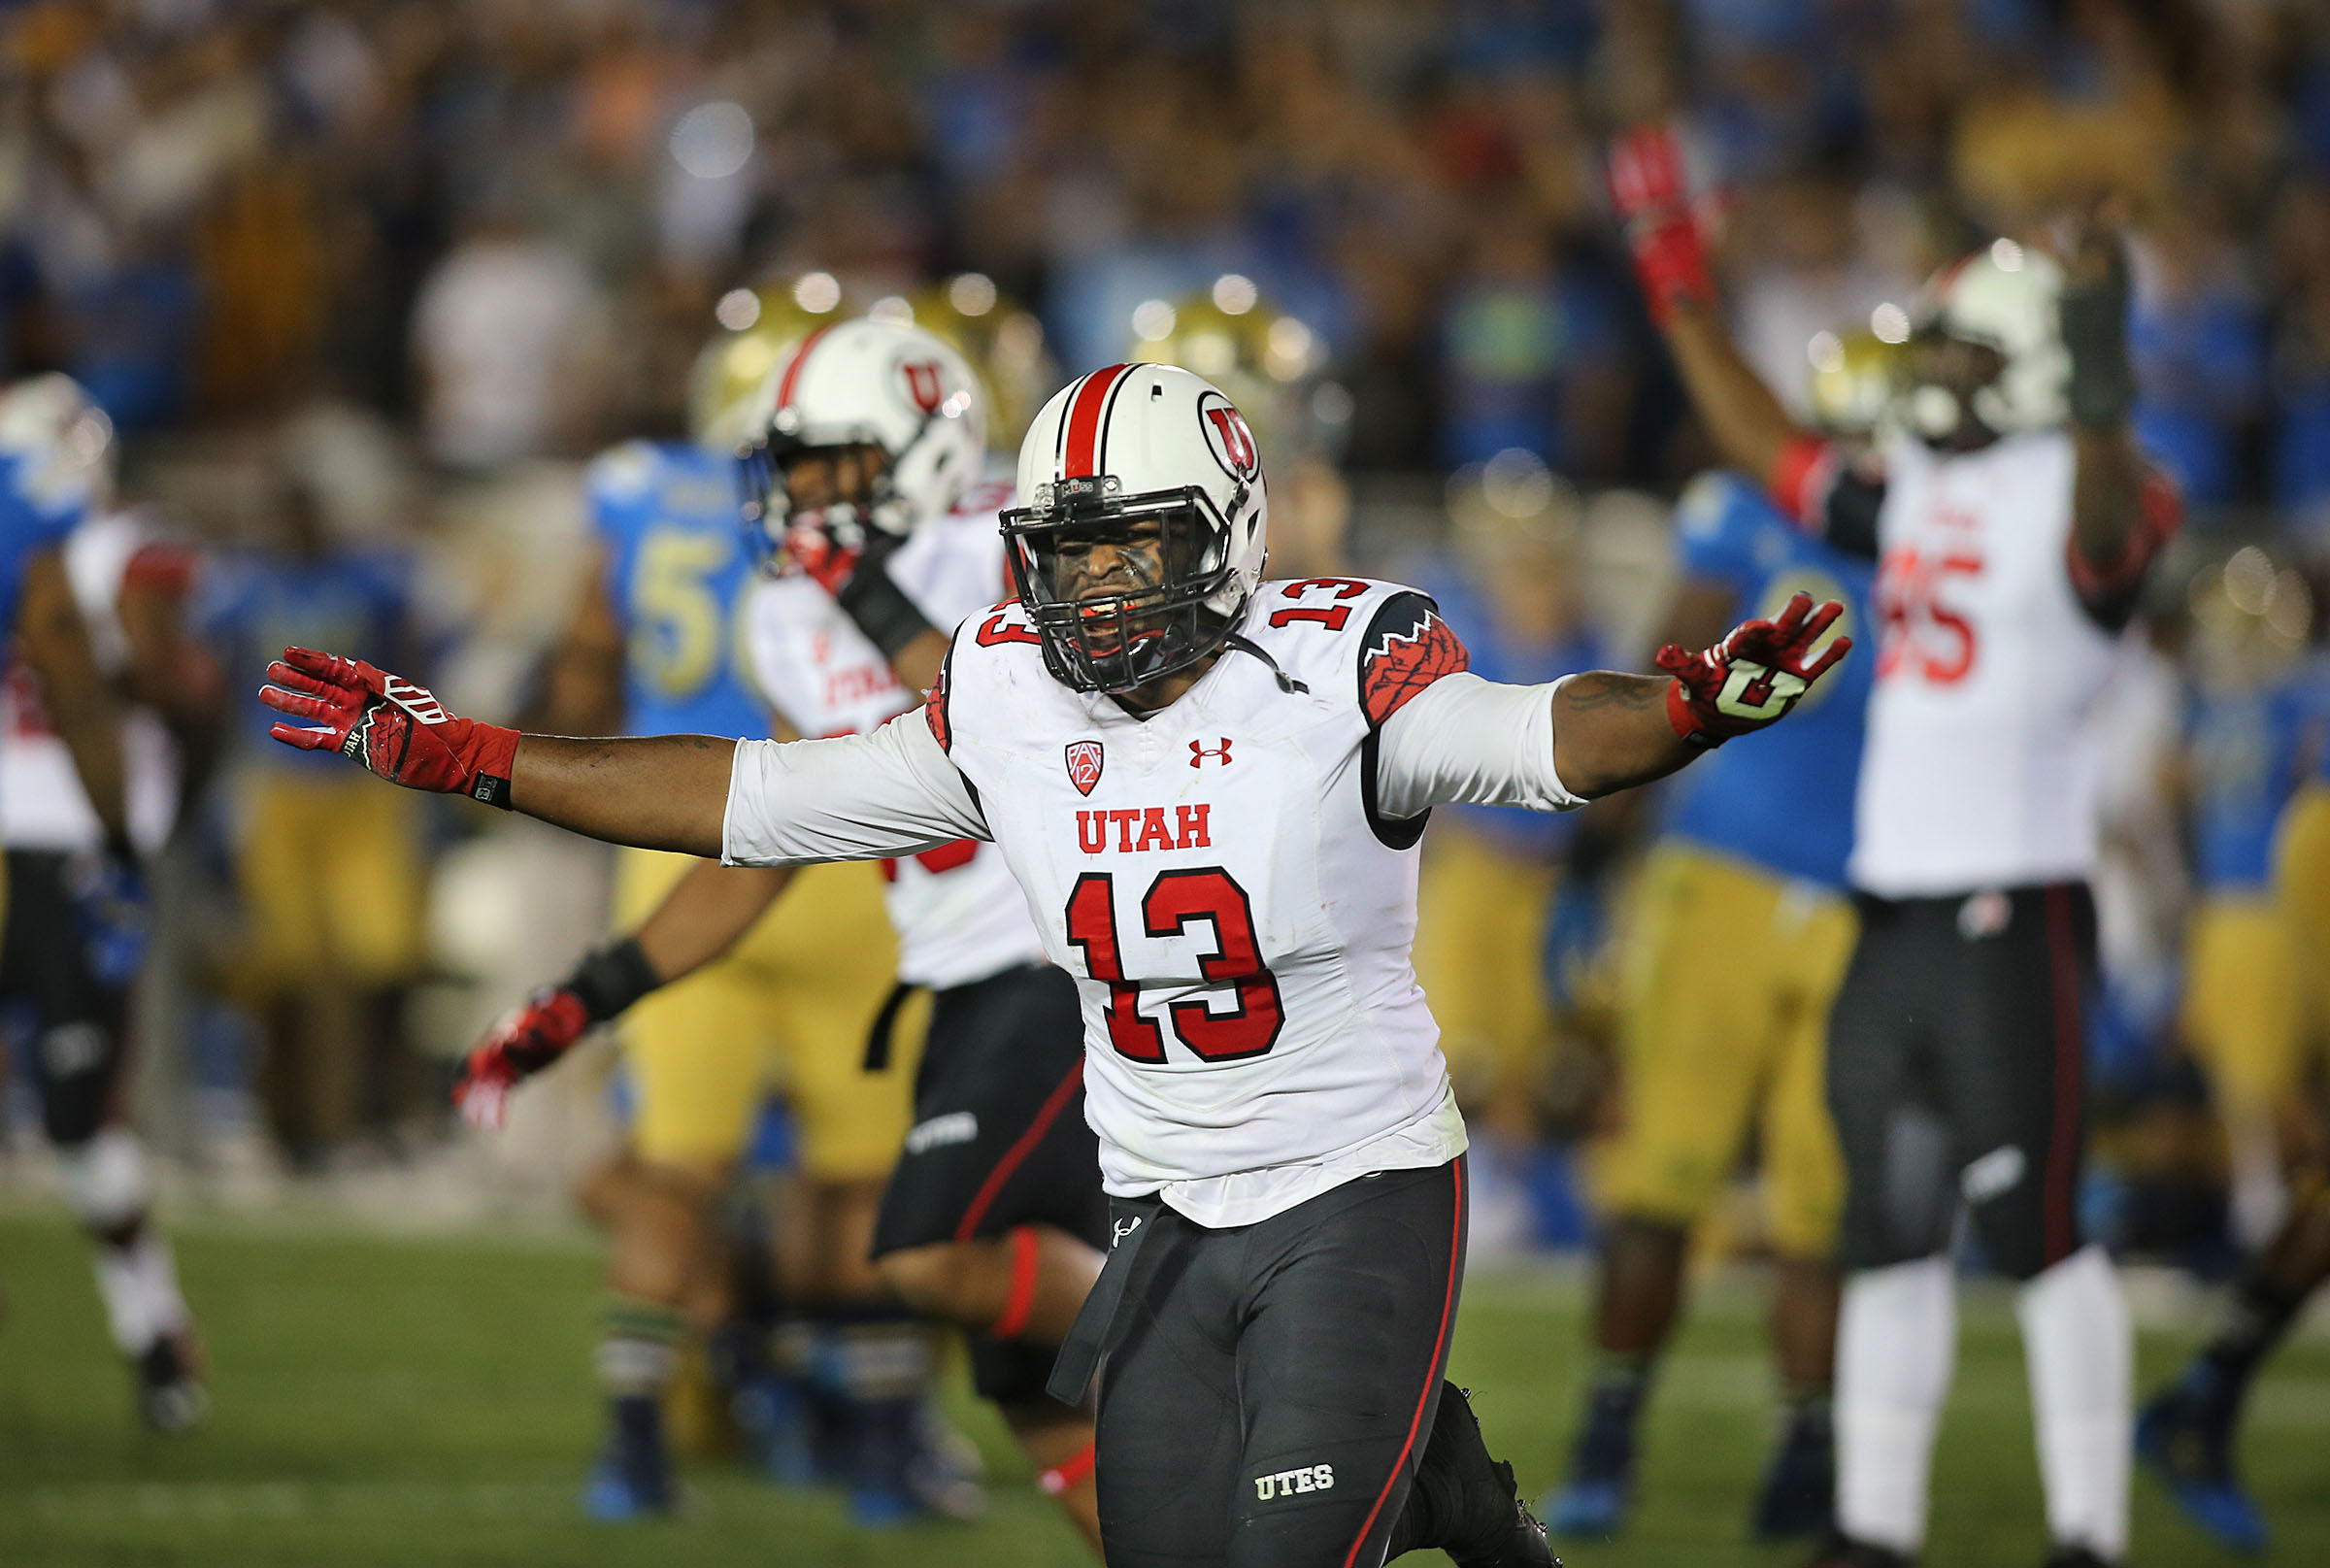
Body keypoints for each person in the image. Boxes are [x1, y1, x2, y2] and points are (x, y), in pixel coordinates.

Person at [259, 358, 1849, 1568]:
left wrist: (1691, 709)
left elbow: (1531, 736)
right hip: (1158, 1208)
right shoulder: (1006, 692)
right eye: (1065, 550)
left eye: (1129, 546)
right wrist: (474, 754)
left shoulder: (1339, 664)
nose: (1091, 586)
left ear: (1224, 534)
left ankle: (1408, 1463)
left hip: (1355, 1184)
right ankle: (1425, 1466)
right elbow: (755, 797)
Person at [1606, 125, 2179, 1568]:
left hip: (2014, 899)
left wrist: (2100, 359)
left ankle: (2089, 1532)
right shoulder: (1919, 487)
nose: (1934, 375)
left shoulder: (2092, 487)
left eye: (1967, 361)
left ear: (2041, 371)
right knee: (1889, 1224)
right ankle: (1872, 1524)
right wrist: (1678, 280)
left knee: (2038, 1229)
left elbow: (2115, 519)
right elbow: (1759, 441)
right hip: (1894, 909)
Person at [467, 317, 1111, 1544]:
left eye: (832, 461)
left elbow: (998, 717)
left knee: (931, 1249)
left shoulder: (1009, 550)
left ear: (921, 450)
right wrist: (591, 995)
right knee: (1031, 1389)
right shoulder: (783, 614)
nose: (801, 489)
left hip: (1066, 953)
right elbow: (765, 839)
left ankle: (1224, 1328)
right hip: (957, 974)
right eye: (793, 462)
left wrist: (862, 586)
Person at [474, 300, 910, 1521]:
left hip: (677, 839)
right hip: (843, 842)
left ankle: (635, 1448)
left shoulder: (634, 489)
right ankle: (867, 1444)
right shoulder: (857, 501)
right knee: (857, 1173)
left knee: (671, 1167)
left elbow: (583, 668)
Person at [1548, 452, 1872, 1541]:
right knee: (1665, 1178)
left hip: (1865, 890)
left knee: (1819, 1208)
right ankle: (1609, 1426)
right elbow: (1662, 692)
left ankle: (1809, 1443)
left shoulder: (1946, 527)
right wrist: (1596, 863)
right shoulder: (1750, 509)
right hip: (1719, 876)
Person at [0, 375, 197, 1427]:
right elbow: (128, 682)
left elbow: (154, 670)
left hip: (68, 842)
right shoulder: (64, 544)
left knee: (81, 1115)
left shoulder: (119, 549)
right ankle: (155, 1326)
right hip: (72, 837)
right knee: (81, 1112)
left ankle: (151, 1324)